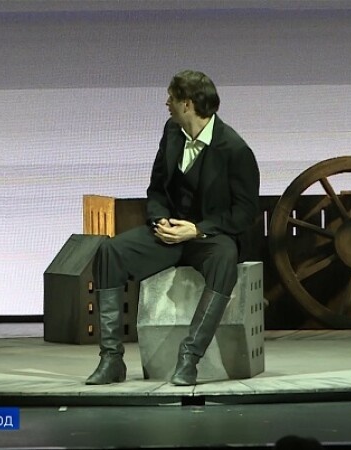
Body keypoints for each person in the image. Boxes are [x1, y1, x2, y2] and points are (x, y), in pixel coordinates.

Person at [86, 70, 260, 386]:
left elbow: (245, 212)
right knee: (110, 252)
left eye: (171, 98)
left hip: (209, 236)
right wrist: (160, 219)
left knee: (225, 260)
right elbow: (156, 189)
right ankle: (111, 359)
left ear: (187, 104)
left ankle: (189, 358)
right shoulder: (172, 132)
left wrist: (197, 229)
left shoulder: (235, 150)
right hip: (169, 233)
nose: (167, 103)